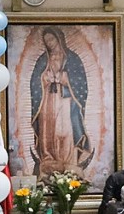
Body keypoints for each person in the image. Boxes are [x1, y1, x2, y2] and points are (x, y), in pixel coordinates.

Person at [30, 26, 93, 176]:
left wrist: (65, 79)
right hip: (47, 100)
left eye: (51, 39)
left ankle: (67, 160)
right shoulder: (43, 59)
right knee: (48, 130)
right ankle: (48, 158)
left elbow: (80, 81)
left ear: (59, 39)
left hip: (65, 100)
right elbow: (34, 81)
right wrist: (44, 78)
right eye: (46, 41)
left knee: (64, 129)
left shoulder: (72, 58)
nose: (50, 43)